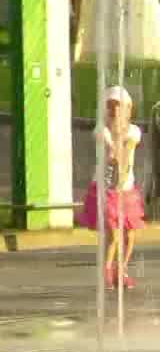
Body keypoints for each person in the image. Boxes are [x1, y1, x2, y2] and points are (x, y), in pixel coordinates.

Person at [77, 85, 145, 289]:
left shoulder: (134, 131)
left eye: (120, 106)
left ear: (128, 108)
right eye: (111, 106)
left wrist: (121, 170)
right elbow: (110, 151)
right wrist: (113, 150)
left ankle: (121, 271)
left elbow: (128, 150)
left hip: (126, 190)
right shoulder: (101, 130)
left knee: (130, 234)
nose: (116, 110)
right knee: (114, 234)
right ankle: (106, 270)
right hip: (105, 190)